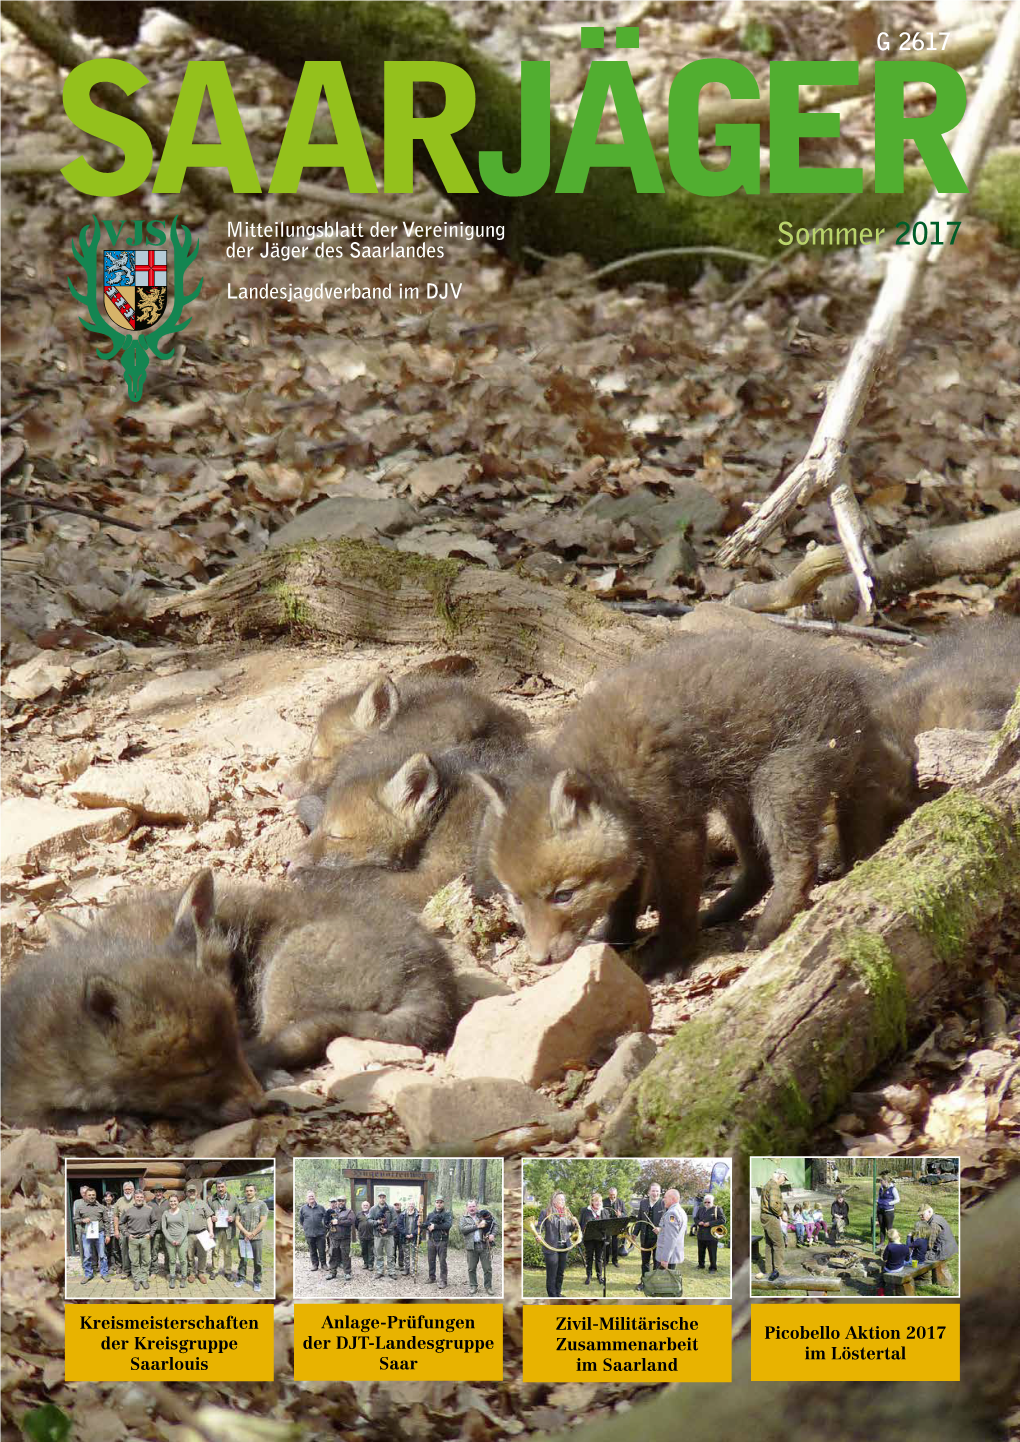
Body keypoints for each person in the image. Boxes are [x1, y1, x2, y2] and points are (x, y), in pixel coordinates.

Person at [534, 1192, 575, 1298]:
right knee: (552, 1274)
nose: (562, 1201)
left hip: (564, 1246)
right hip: (551, 1247)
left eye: (563, 1200)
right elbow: (540, 1227)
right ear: (553, 1201)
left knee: (560, 1273)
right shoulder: (546, 1212)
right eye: (560, 1199)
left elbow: (570, 1229)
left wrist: (574, 1223)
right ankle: (552, 1296)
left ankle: (558, 1293)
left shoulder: (567, 1212)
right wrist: (538, 1235)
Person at [120, 1186, 158, 1292]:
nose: (139, 1199)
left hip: (145, 1238)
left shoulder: (149, 1210)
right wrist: (127, 1234)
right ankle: (137, 1279)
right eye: (137, 1197)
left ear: (144, 1198)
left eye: (141, 1197)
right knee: (135, 1261)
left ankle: (144, 1279)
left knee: (146, 1260)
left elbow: (155, 1222)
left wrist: (150, 1234)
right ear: (134, 1198)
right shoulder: (128, 1210)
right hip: (133, 1239)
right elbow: (121, 1223)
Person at [459, 1199, 498, 1296]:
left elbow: (495, 1224)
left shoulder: (483, 1214)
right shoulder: (464, 1218)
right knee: (471, 1268)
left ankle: (488, 1287)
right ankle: (473, 1286)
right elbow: (462, 1229)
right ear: (467, 1208)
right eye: (470, 1206)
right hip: (471, 1247)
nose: (472, 1208)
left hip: (485, 1245)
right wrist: (477, 1226)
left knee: (487, 1268)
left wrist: (493, 1234)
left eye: (473, 1206)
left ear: (477, 1207)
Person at [235, 1183, 268, 1293]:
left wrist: (252, 1234)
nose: (248, 1192)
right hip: (243, 1237)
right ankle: (241, 1278)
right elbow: (237, 1221)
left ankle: (257, 1281)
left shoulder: (261, 1204)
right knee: (243, 1259)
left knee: (257, 1261)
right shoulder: (241, 1205)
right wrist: (245, 1233)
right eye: (247, 1191)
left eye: (251, 1190)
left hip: (256, 1238)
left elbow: (263, 1221)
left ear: (255, 1191)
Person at [182, 1182, 215, 1285]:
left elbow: (209, 1217)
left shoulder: (202, 1203)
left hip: (203, 1233)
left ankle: (201, 1273)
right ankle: (191, 1273)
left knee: (203, 1255)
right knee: (189, 1255)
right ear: (186, 1193)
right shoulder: (181, 1204)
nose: (192, 1193)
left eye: (193, 1191)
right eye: (189, 1191)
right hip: (189, 1234)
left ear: (196, 1193)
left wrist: (211, 1231)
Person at [760, 1168, 789, 1279]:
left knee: (769, 1244)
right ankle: (780, 1269)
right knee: (779, 1243)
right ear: (779, 1176)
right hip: (771, 1217)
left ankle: (769, 1269)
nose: (784, 1181)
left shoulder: (768, 1184)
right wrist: (782, 1213)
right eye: (784, 1178)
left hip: (765, 1216)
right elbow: (773, 1205)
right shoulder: (774, 1186)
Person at [79, 1188, 110, 1285]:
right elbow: (75, 1219)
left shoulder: (101, 1207)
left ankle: (104, 1273)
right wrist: (82, 1220)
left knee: (102, 1255)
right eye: (89, 1195)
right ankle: (88, 1274)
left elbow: (106, 1222)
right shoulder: (80, 1207)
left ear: (95, 1195)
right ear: (86, 1196)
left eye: (93, 1195)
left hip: (100, 1234)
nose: (92, 1196)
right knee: (87, 1255)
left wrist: (107, 1235)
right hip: (86, 1235)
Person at [579, 1192, 610, 1286]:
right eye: (596, 1201)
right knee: (589, 1258)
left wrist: (607, 1240)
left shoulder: (604, 1211)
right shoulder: (585, 1210)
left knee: (599, 1258)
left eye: (600, 1201)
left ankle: (599, 1276)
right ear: (592, 1201)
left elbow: (608, 1226)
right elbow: (580, 1224)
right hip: (589, 1239)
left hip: (600, 1239)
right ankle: (588, 1276)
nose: (598, 1203)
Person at [161, 1192, 190, 1289]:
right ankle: (172, 1277)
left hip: (182, 1240)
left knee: (183, 1260)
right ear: (169, 1202)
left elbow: (186, 1226)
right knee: (172, 1260)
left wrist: (180, 1240)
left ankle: (183, 1278)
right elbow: (164, 1228)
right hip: (170, 1241)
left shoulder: (183, 1212)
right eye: (171, 1201)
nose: (173, 1203)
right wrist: (170, 1240)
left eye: (175, 1201)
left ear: (178, 1202)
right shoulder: (165, 1213)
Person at [654, 1189, 687, 1272]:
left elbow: (671, 1238)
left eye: (665, 1197)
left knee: (664, 1282)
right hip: (672, 1255)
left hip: (667, 1257)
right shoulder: (681, 1211)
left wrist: (665, 1259)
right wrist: (661, 1230)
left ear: (673, 1199)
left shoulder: (671, 1213)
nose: (663, 1199)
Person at [636, 1182, 665, 1277]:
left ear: (660, 1192)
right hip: (645, 1238)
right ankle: (644, 1281)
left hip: (659, 1239)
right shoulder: (643, 1203)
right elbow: (639, 1219)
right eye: (653, 1191)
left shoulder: (664, 1203)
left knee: (657, 1262)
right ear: (649, 1192)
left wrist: (661, 1228)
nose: (655, 1193)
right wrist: (634, 1233)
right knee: (645, 1262)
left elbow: (669, 1222)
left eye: (657, 1191)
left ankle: (654, 1283)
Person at [425, 1196, 454, 1287]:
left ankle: (443, 1280)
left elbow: (448, 1225)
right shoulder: (430, 1214)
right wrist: (424, 1226)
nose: (439, 1204)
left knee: (442, 1261)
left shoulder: (447, 1214)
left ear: (443, 1203)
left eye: (441, 1202)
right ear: (435, 1203)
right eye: (437, 1202)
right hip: (431, 1240)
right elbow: (426, 1225)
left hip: (442, 1240)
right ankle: (432, 1277)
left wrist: (435, 1227)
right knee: (431, 1260)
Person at [325, 1197, 355, 1282]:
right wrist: (328, 1223)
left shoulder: (349, 1212)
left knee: (345, 1255)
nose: (340, 1202)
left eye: (342, 1201)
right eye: (339, 1201)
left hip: (345, 1238)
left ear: (345, 1202)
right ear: (337, 1202)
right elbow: (327, 1222)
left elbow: (350, 1221)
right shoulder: (333, 1211)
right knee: (333, 1255)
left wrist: (338, 1222)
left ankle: (347, 1273)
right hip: (334, 1238)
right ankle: (332, 1272)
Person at [210, 1181, 236, 1280]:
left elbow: (237, 1211)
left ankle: (228, 1271)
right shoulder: (211, 1199)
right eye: (218, 1187)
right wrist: (212, 1217)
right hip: (216, 1230)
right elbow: (207, 1212)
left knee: (227, 1252)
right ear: (216, 1188)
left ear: (226, 1187)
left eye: (222, 1187)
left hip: (228, 1229)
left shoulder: (233, 1198)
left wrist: (232, 1217)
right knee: (215, 1251)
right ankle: (214, 1270)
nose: (220, 1189)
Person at [112, 1182, 138, 1279]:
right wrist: (116, 1230)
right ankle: (126, 1270)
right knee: (124, 1251)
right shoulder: (119, 1201)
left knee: (136, 1250)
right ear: (123, 1190)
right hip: (123, 1230)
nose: (128, 1191)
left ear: (133, 1190)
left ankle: (136, 1270)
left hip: (136, 1230)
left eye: (129, 1189)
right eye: (126, 1189)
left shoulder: (138, 1199)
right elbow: (115, 1217)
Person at [694, 1192, 725, 1271]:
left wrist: (710, 1223)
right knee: (701, 1251)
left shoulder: (717, 1209)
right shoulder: (701, 1209)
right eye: (705, 1202)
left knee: (712, 1252)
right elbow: (695, 1218)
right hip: (701, 1234)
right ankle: (701, 1265)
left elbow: (723, 1220)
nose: (707, 1203)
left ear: (712, 1202)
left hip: (712, 1235)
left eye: (709, 1202)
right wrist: (698, 1222)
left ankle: (713, 1267)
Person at [369, 1191, 396, 1280]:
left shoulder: (391, 1208)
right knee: (378, 1254)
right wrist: (377, 1222)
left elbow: (395, 1220)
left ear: (385, 1198)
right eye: (380, 1197)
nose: (382, 1198)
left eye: (383, 1197)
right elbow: (369, 1220)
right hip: (378, 1236)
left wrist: (387, 1230)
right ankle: (379, 1271)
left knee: (390, 1254)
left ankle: (391, 1271)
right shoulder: (373, 1209)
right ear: (378, 1198)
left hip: (389, 1235)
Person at [299, 1191, 329, 1272]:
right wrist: (306, 1227)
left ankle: (323, 1264)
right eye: (309, 1197)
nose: (311, 1198)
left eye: (312, 1196)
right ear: (307, 1198)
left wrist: (325, 1229)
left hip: (320, 1233)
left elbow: (326, 1219)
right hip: (309, 1233)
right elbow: (301, 1220)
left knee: (322, 1249)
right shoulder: (303, 1208)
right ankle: (315, 1264)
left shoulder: (321, 1208)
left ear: (315, 1197)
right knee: (312, 1250)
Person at [149, 1187, 169, 1277]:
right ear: (154, 1193)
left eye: (160, 1191)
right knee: (154, 1252)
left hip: (166, 1232)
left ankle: (168, 1270)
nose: (158, 1193)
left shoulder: (169, 1203)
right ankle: (154, 1270)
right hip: (155, 1232)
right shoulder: (149, 1204)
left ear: (163, 1192)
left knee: (167, 1251)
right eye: (156, 1192)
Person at [605, 1187, 626, 1267]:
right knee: (606, 1243)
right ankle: (606, 1260)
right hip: (607, 1225)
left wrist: (620, 1215)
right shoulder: (604, 1201)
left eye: (613, 1195)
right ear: (608, 1194)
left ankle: (615, 1260)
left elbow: (625, 1213)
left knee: (615, 1243)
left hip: (616, 1225)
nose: (612, 1196)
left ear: (616, 1194)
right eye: (610, 1195)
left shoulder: (620, 1202)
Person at [876, 1173, 900, 1241]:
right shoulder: (880, 1188)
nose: (880, 1182)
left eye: (881, 1180)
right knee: (882, 1227)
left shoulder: (893, 1189)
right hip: (880, 1210)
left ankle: (891, 1243)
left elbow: (898, 1199)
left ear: (885, 1181)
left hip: (889, 1211)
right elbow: (880, 1197)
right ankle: (881, 1242)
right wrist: (878, 1200)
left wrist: (889, 1203)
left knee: (889, 1228)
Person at [72, 1184, 91, 1266]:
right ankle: (84, 1264)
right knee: (82, 1247)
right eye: (82, 1192)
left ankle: (93, 1265)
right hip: (80, 1228)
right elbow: (75, 1218)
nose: (84, 1194)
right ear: (80, 1193)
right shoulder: (77, 1202)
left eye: (85, 1192)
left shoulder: (93, 1201)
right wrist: (83, 1220)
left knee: (92, 1247)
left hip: (91, 1227)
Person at [102, 1192, 119, 1272]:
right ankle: (110, 1265)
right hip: (105, 1232)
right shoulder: (102, 1207)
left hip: (114, 1231)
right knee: (107, 1250)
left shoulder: (115, 1207)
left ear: (112, 1198)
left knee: (115, 1249)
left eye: (109, 1196)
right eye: (106, 1197)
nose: (108, 1198)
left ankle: (117, 1265)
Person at [356, 1200, 374, 1270]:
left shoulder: (372, 1213)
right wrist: (360, 1230)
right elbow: (356, 1224)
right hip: (362, 1236)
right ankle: (365, 1263)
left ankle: (370, 1265)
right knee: (364, 1250)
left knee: (371, 1251)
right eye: (364, 1205)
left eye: (367, 1205)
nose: (365, 1206)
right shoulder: (358, 1214)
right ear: (362, 1206)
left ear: (369, 1206)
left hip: (371, 1235)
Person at [402, 1201, 419, 1275]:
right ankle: (406, 1269)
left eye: (412, 1204)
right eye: (410, 1204)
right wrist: (405, 1234)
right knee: (406, 1254)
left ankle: (413, 1271)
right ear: (407, 1206)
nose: (411, 1205)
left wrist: (413, 1234)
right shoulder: (402, 1214)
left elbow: (420, 1226)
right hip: (405, 1238)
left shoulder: (418, 1215)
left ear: (414, 1206)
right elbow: (400, 1225)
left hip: (414, 1238)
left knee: (414, 1255)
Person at [392, 1202, 406, 1273]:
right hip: (393, 1235)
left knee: (401, 1251)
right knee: (393, 1251)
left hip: (401, 1235)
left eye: (398, 1205)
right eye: (396, 1205)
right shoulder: (391, 1213)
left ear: (401, 1206)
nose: (397, 1206)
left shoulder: (404, 1214)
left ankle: (401, 1265)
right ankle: (393, 1264)